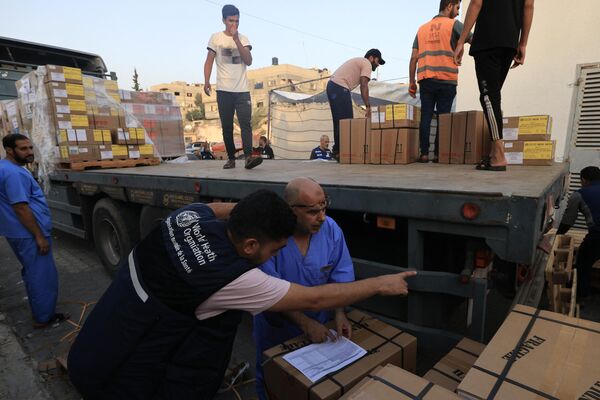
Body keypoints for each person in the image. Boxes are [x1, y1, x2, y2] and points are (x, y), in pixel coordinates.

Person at [67, 189, 417, 400]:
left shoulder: (184, 219)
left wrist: (276, 209)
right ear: (251, 245)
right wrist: (380, 284)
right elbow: (312, 300)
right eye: (273, 250)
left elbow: (228, 208)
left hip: (98, 344)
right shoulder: (231, 278)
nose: (274, 258)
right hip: (120, 378)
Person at [253, 178, 354, 399]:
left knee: (315, 386)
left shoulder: (331, 230)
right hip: (277, 329)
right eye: (312, 212)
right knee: (274, 382)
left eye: (324, 207)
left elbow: (341, 273)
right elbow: (270, 292)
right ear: (291, 210)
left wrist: (339, 312)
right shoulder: (271, 237)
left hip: (322, 326)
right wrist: (305, 323)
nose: (322, 217)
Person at [454, 0, 535, 171]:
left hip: (488, 40)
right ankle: (493, 154)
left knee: (488, 97)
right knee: (493, 96)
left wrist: (461, 41)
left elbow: (476, 3)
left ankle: (498, 155)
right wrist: (523, 43)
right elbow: (528, 7)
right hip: (509, 43)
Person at [0, 134, 68, 328]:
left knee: (33, 272)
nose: (29, 152)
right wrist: (39, 236)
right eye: (24, 149)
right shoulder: (14, 173)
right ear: (10, 150)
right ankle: (44, 317)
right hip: (28, 234)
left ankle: (41, 311)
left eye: (30, 148)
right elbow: (20, 207)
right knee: (42, 276)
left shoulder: (4, 168)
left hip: (18, 232)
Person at [409, 0, 472, 163]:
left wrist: (411, 82)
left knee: (426, 116)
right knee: (444, 117)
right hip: (446, 80)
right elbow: (473, 39)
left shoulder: (421, 29)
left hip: (426, 80)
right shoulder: (454, 25)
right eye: (457, 8)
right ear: (449, 5)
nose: (458, 12)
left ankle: (424, 154)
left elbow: (413, 57)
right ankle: (437, 154)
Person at [204, 4, 262, 170]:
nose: (234, 24)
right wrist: (206, 81)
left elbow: (249, 61)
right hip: (223, 91)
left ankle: (249, 157)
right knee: (227, 127)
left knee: (246, 124)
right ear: (223, 20)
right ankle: (231, 159)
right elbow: (209, 60)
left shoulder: (243, 38)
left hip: (242, 90)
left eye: (237, 21)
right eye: (230, 21)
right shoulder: (216, 38)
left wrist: (236, 39)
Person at [327, 49, 385, 159]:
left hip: (333, 86)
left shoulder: (360, 62)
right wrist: (368, 106)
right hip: (339, 87)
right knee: (347, 122)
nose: (378, 65)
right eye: (378, 61)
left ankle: (338, 151)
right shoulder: (366, 63)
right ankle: (343, 151)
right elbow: (364, 85)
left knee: (340, 121)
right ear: (371, 58)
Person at [557, 166, 600, 301]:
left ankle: (581, 296)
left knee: (582, 262)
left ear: (583, 180)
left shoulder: (580, 194)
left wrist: (557, 236)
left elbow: (568, 221)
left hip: (598, 235)